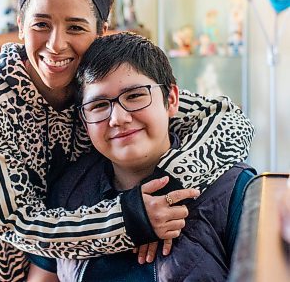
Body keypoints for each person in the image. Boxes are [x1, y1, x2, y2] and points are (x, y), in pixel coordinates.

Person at [0, 0, 254, 282]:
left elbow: (229, 123)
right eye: (41, 24)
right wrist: (133, 221)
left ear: (101, 31)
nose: (56, 45)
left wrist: (166, 190)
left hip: (53, 267)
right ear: (20, 25)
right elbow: (15, 224)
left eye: (75, 26)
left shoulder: (98, 89)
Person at [28, 32, 256, 281]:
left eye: (135, 96)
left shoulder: (235, 190)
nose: (118, 119)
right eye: (99, 105)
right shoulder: (69, 192)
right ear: (84, 121)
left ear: (171, 100)